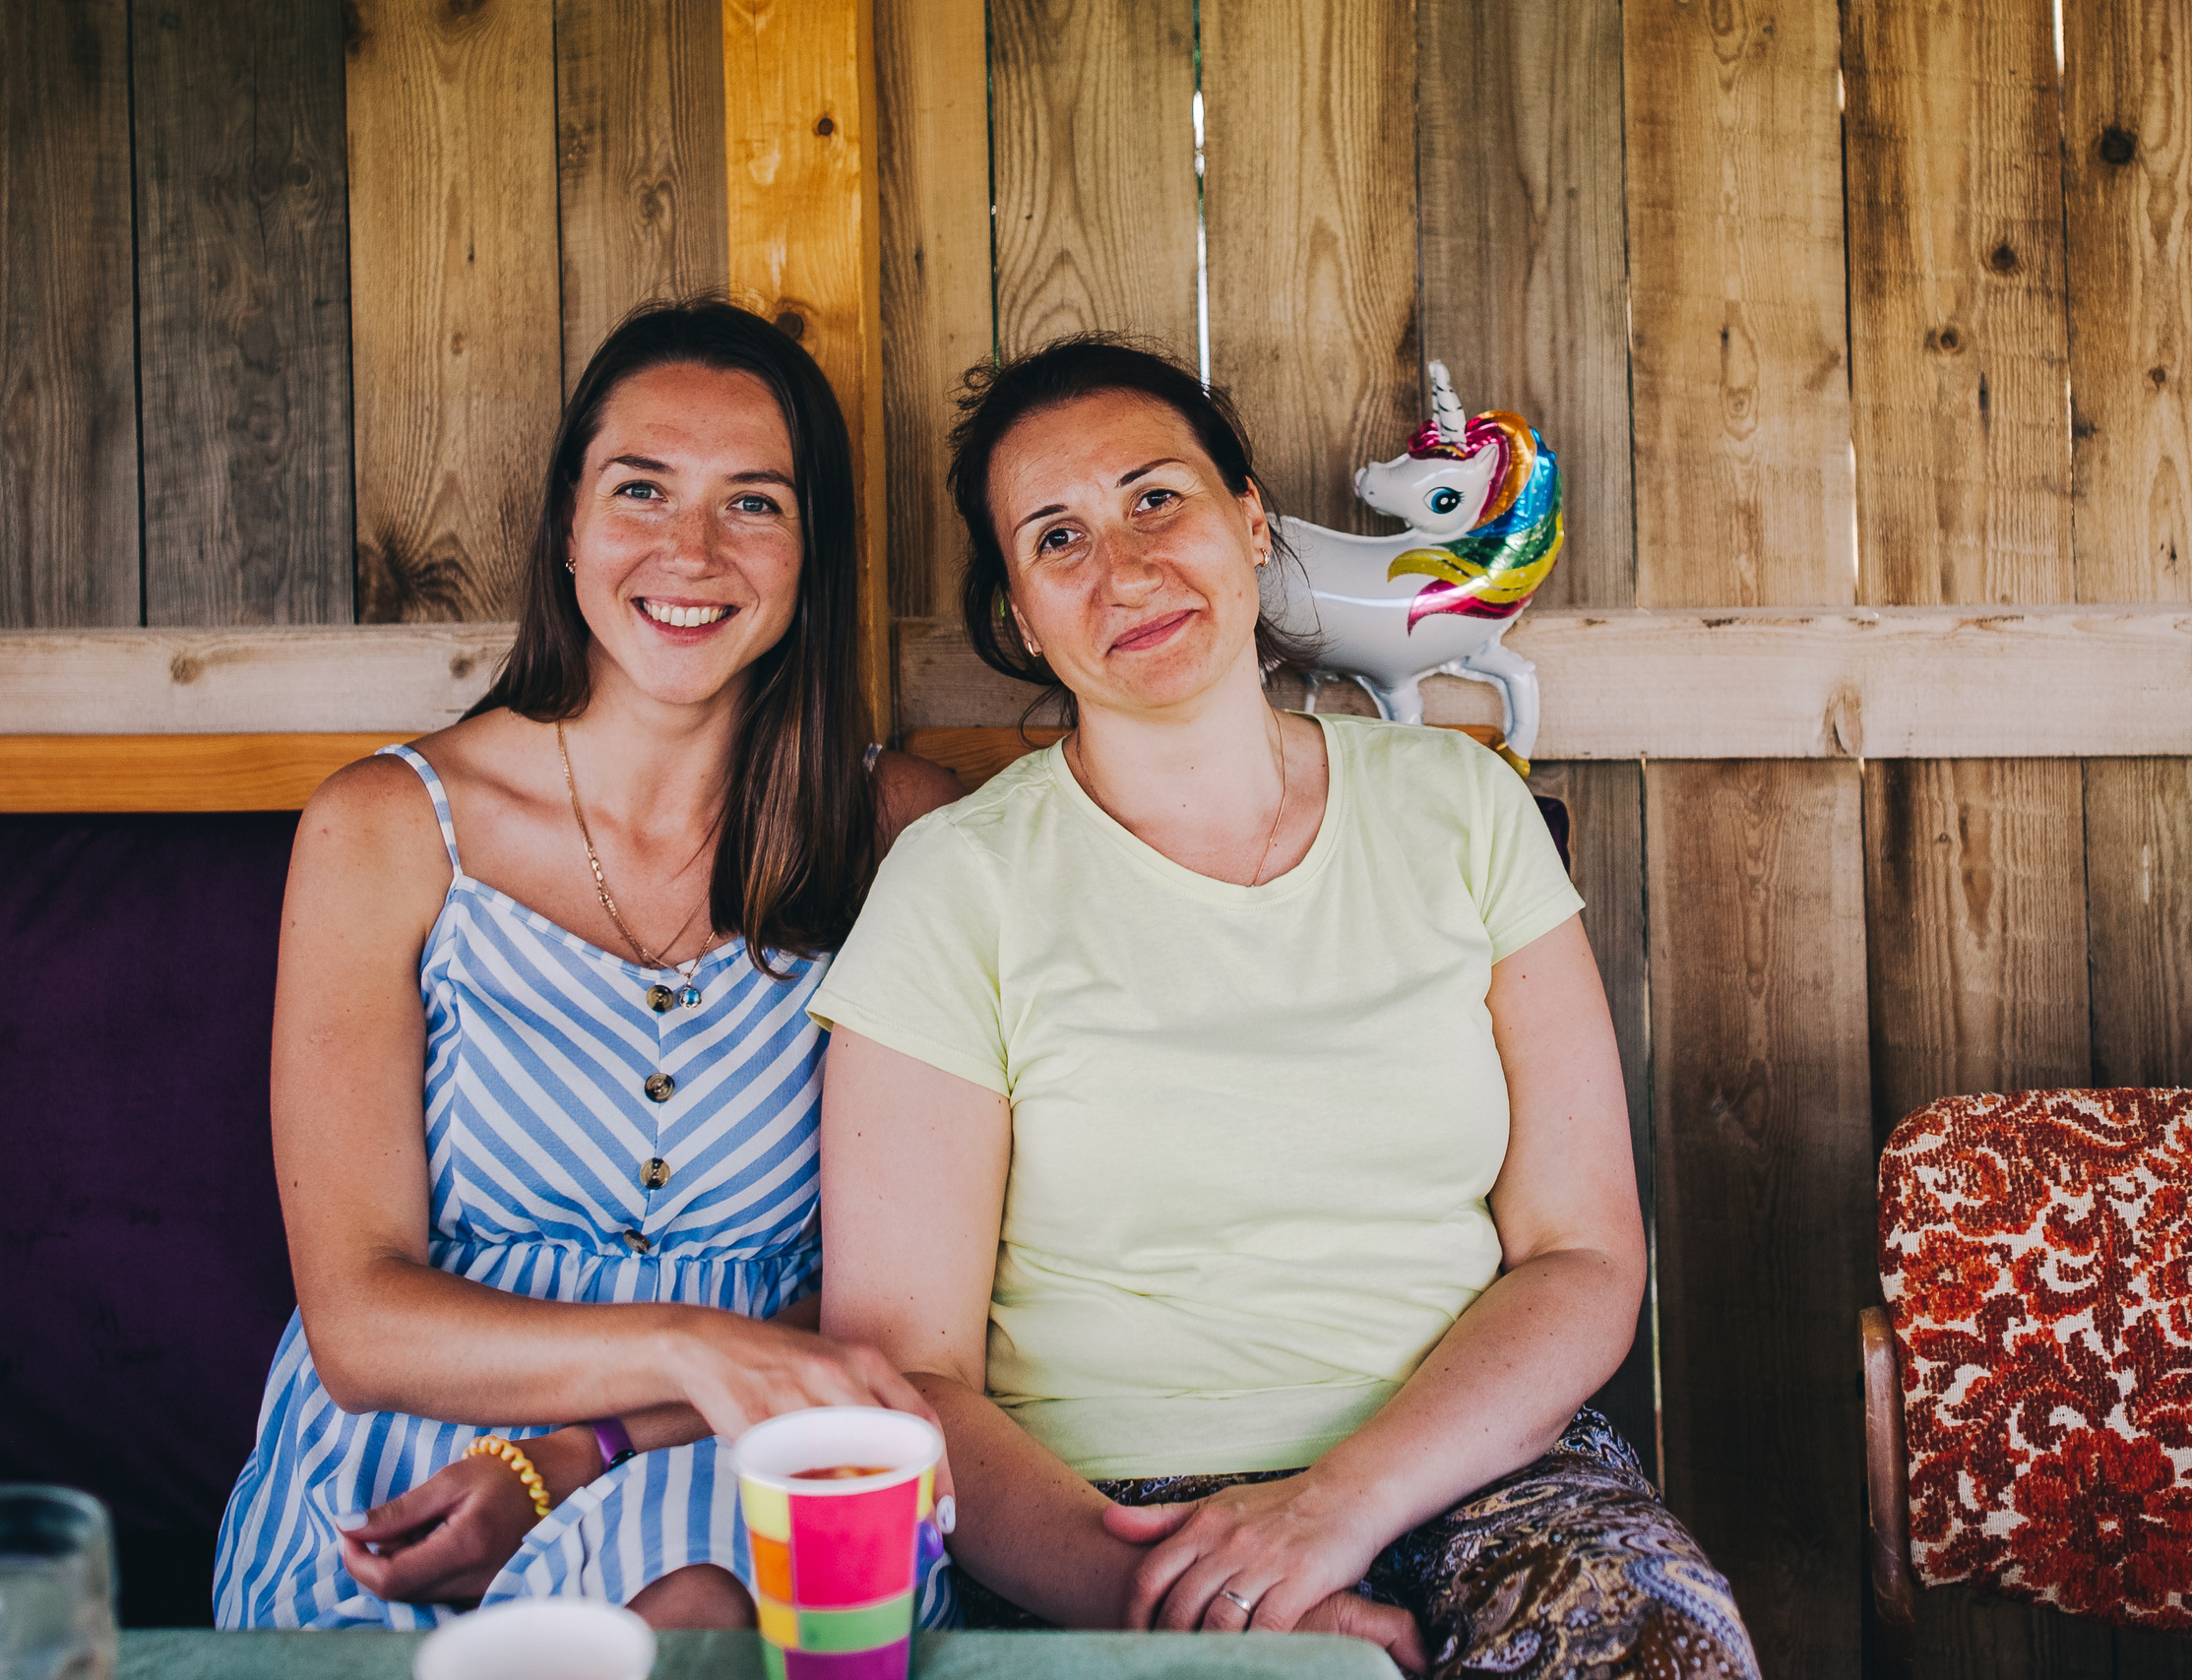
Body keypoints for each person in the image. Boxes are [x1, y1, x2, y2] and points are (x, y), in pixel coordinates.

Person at [810, 338, 1758, 1677]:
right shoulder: (957, 884)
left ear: (1251, 524)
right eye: (1057, 537)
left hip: (1480, 1474)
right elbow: (905, 1373)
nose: (1125, 568)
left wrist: (1337, 1507)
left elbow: (1583, 1254)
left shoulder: (1461, 810)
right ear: (1021, 614)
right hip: (1108, 1524)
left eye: (1157, 499)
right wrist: (1200, 1603)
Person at [215, 300, 963, 1631]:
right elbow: (359, 1325)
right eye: (641, 489)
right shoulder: (387, 828)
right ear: (567, 522)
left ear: (812, 552)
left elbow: (900, 1305)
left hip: (742, 1444)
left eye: (753, 503)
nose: (691, 551)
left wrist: (604, 1440)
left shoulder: (902, 833)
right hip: (411, 1453)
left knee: (705, 1606)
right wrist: (684, 1344)